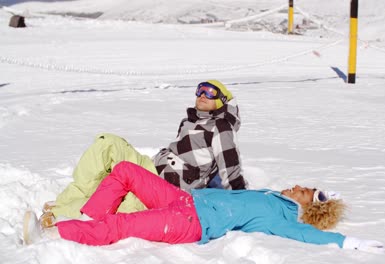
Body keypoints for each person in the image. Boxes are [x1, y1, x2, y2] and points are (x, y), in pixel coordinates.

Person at [24, 161, 385, 254]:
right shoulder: (271, 196)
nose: (297, 186)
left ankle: (52, 234)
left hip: (192, 223)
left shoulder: (284, 216)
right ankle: (87, 220)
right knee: (124, 172)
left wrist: (346, 242)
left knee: (125, 225)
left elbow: (305, 235)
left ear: (310, 208)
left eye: (305, 191)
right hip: (186, 201)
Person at [42, 80, 248, 226]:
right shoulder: (189, 122)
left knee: (124, 203)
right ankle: (69, 199)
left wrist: (244, 202)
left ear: (221, 100)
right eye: (200, 90)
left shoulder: (222, 127)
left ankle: (66, 215)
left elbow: (229, 167)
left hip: (167, 187)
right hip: (150, 167)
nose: (203, 94)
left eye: (211, 92)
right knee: (107, 143)